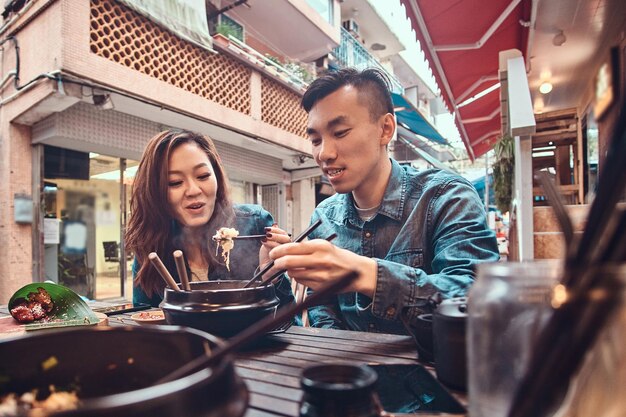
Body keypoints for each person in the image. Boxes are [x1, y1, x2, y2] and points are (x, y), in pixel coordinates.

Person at [269, 68, 499, 334]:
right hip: (350, 373)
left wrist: (365, 273)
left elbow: (478, 300)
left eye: (340, 132)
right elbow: (322, 305)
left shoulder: (446, 196)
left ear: (385, 129)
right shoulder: (324, 218)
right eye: (315, 139)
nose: (324, 153)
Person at [126, 129, 293, 307]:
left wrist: (270, 280)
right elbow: (144, 317)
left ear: (216, 174)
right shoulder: (150, 243)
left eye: (203, 176)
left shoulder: (255, 224)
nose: (193, 191)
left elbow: (291, 322)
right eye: (175, 182)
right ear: (156, 191)